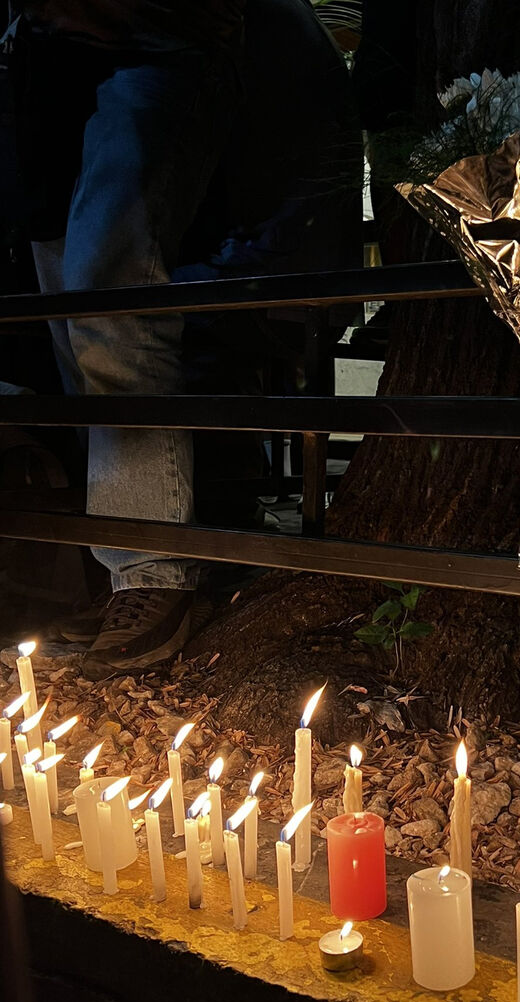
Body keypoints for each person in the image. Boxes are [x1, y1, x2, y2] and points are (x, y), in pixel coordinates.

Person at [10, 0, 361, 679]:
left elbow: (287, 215)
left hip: (256, 271)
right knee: (85, 315)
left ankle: (151, 570)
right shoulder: (95, 65)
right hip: (210, 234)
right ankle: (127, 562)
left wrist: (211, 276)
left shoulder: (211, 41)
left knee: (109, 294)